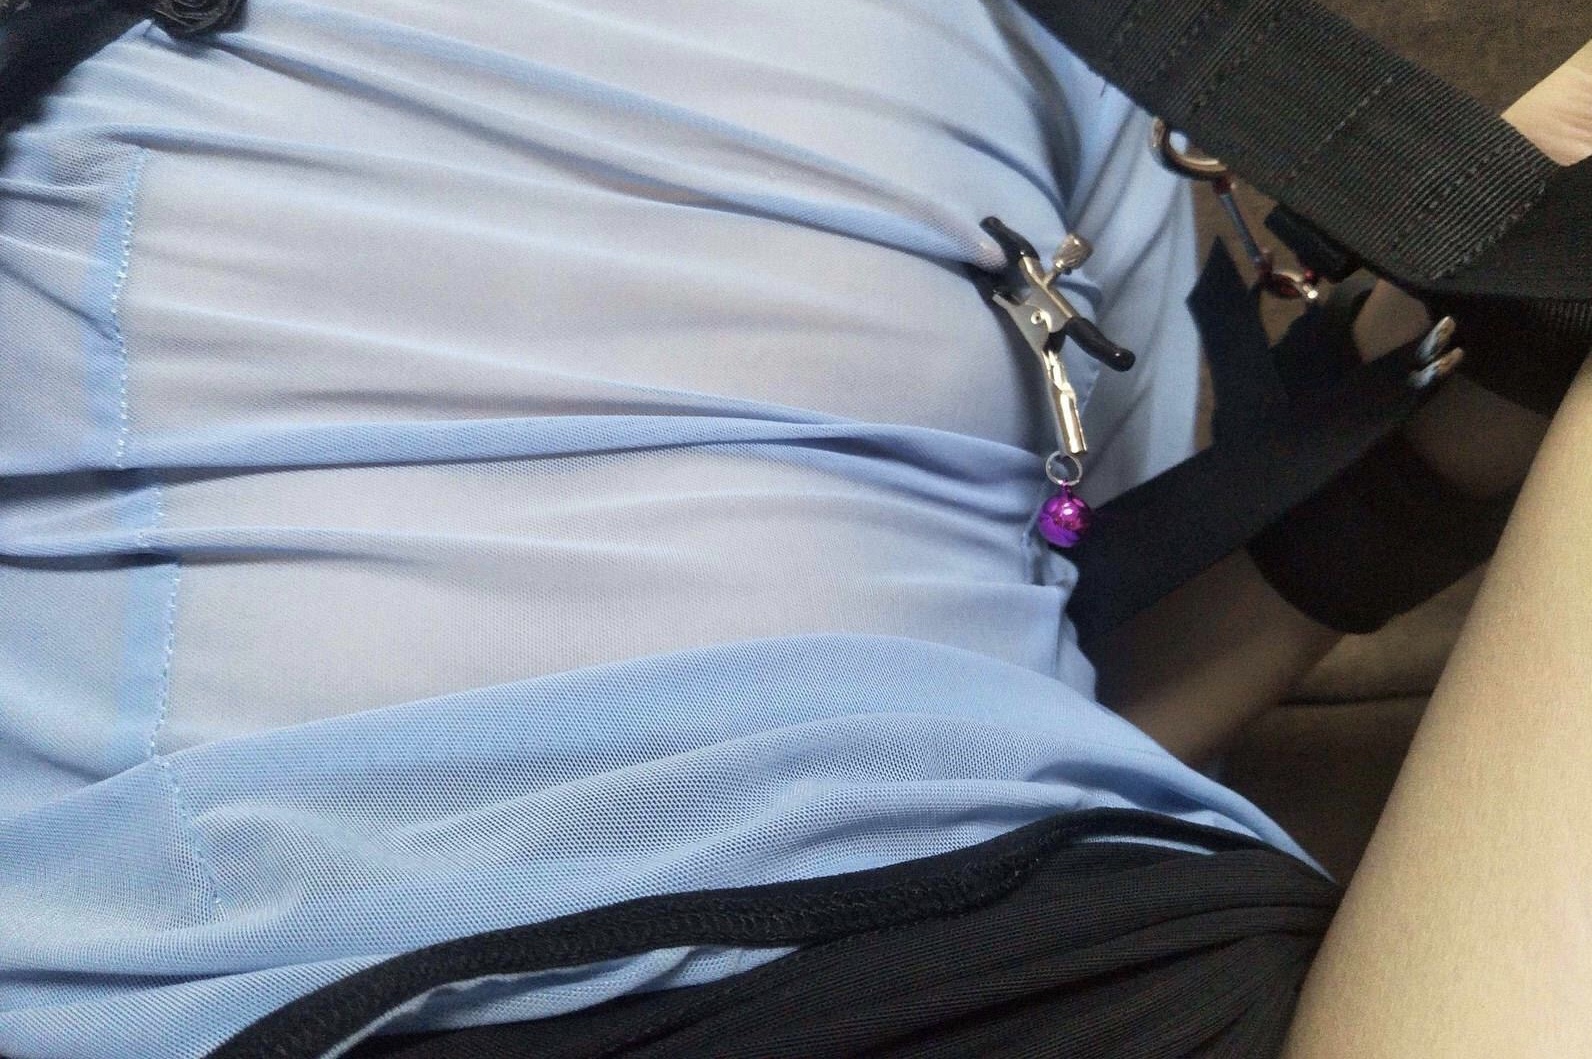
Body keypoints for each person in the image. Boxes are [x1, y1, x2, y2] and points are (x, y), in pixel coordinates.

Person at [0, 0, 1586, 1055]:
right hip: (276, 986)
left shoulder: (1098, 50)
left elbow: (1085, 689)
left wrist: (1471, 408)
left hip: (1062, 961)